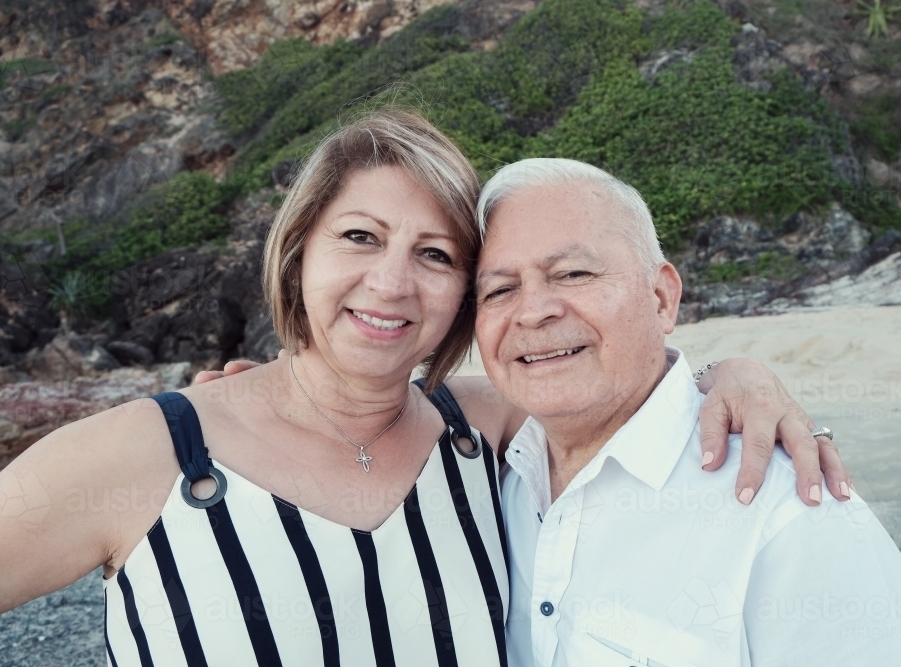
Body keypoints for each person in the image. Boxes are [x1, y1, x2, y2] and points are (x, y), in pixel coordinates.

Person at [1, 109, 847, 666]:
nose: (393, 283)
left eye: (437, 255)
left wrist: (735, 376)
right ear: (300, 256)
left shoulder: (487, 432)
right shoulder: (144, 456)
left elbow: (622, 384)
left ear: (463, 298)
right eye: (360, 237)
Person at [471, 158, 901, 666]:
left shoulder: (790, 512)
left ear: (662, 298)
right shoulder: (483, 479)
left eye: (574, 273)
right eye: (499, 290)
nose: (534, 310)